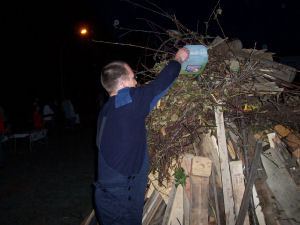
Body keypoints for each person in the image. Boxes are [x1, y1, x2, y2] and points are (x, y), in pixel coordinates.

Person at [94, 47, 189, 225]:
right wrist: (178, 59)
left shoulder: (108, 109)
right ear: (122, 84)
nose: (136, 82)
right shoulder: (127, 99)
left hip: (110, 194)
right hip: (120, 197)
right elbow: (159, 86)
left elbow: (149, 102)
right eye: (132, 78)